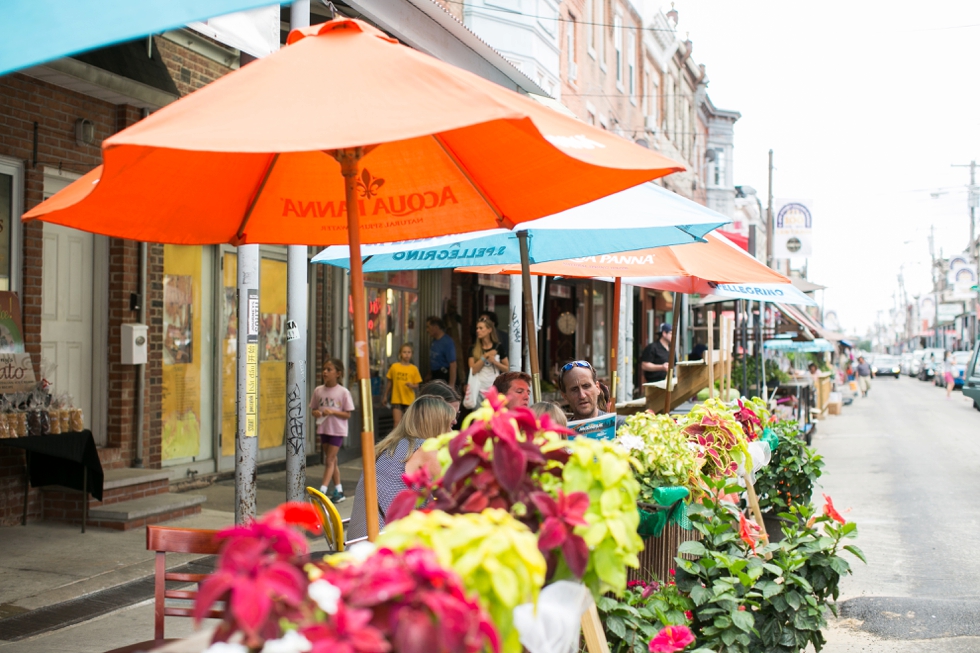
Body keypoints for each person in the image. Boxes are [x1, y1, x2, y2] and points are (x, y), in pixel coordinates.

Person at [347, 396, 457, 540]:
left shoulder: (389, 445)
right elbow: (455, 491)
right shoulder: (426, 450)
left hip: (358, 542)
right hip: (382, 544)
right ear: (437, 425)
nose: (451, 432)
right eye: (449, 426)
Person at [310, 358, 354, 503]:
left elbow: (348, 414)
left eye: (329, 370)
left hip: (337, 430)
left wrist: (333, 412)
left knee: (328, 459)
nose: (325, 372)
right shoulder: (318, 391)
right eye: (324, 369)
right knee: (332, 460)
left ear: (338, 373)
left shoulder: (343, 392)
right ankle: (339, 491)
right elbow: (314, 408)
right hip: (324, 428)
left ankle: (322, 490)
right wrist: (316, 412)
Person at [557, 359, 625, 427]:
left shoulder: (621, 426)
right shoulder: (560, 433)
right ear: (565, 396)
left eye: (586, 386)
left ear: (597, 388)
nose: (582, 395)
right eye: (574, 389)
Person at [464, 317, 508, 409]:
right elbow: (473, 370)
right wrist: (485, 356)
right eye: (477, 328)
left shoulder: (498, 347)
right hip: (478, 390)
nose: (478, 331)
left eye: (481, 328)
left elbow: (507, 368)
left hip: (494, 390)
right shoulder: (473, 349)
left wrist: (495, 362)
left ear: (489, 330)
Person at [385, 343, 422, 427]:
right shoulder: (394, 367)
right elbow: (389, 382)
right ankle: (396, 440)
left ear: (411, 354)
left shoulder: (414, 369)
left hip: (409, 399)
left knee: (408, 423)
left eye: (409, 352)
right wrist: (385, 396)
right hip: (396, 399)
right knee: (397, 423)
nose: (407, 354)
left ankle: (408, 440)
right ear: (400, 354)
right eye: (404, 352)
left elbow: (417, 385)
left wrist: (411, 385)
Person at [425, 316, 457, 387]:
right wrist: (429, 373)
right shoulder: (434, 341)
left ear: (435, 327)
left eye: (428, 327)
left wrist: (451, 384)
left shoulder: (447, 342)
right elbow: (433, 359)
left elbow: (453, 364)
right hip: (435, 375)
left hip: (443, 376)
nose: (427, 330)